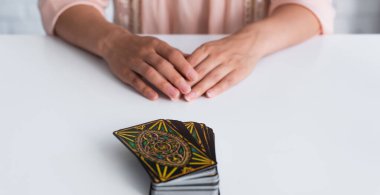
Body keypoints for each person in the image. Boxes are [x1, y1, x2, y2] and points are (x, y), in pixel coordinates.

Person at [39, 0, 334, 101]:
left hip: (253, 90)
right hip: (134, 91)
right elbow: (65, 4)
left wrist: (249, 44)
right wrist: (114, 42)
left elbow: (310, 8)